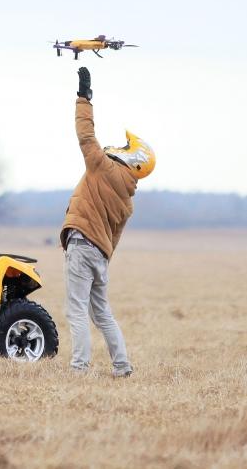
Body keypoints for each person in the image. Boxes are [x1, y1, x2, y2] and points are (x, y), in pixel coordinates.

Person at [60, 67, 155, 377]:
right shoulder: (128, 201)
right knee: (102, 313)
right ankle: (122, 367)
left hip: (82, 246)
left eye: (127, 148)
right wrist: (101, 261)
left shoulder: (102, 167)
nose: (120, 148)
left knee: (76, 311)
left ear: (134, 159)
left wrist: (83, 96)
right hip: (100, 255)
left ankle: (79, 369)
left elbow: (85, 135)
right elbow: (114, 239)